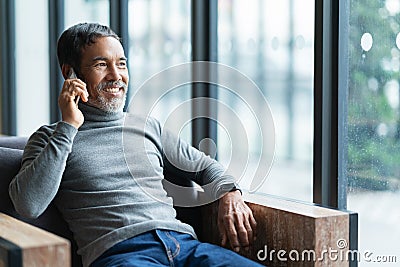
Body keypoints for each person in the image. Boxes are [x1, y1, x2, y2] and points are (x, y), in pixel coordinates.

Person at [9, 23, 262, 267]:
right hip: (123, 255)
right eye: (101, 65)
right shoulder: (49, 137)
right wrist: (68, 126)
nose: (116, 76)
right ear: (70, 73)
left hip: (185, 247)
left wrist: (229, 194)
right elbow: (29, 204)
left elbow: (205, 166)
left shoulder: (148, 127)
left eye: (121, 64)